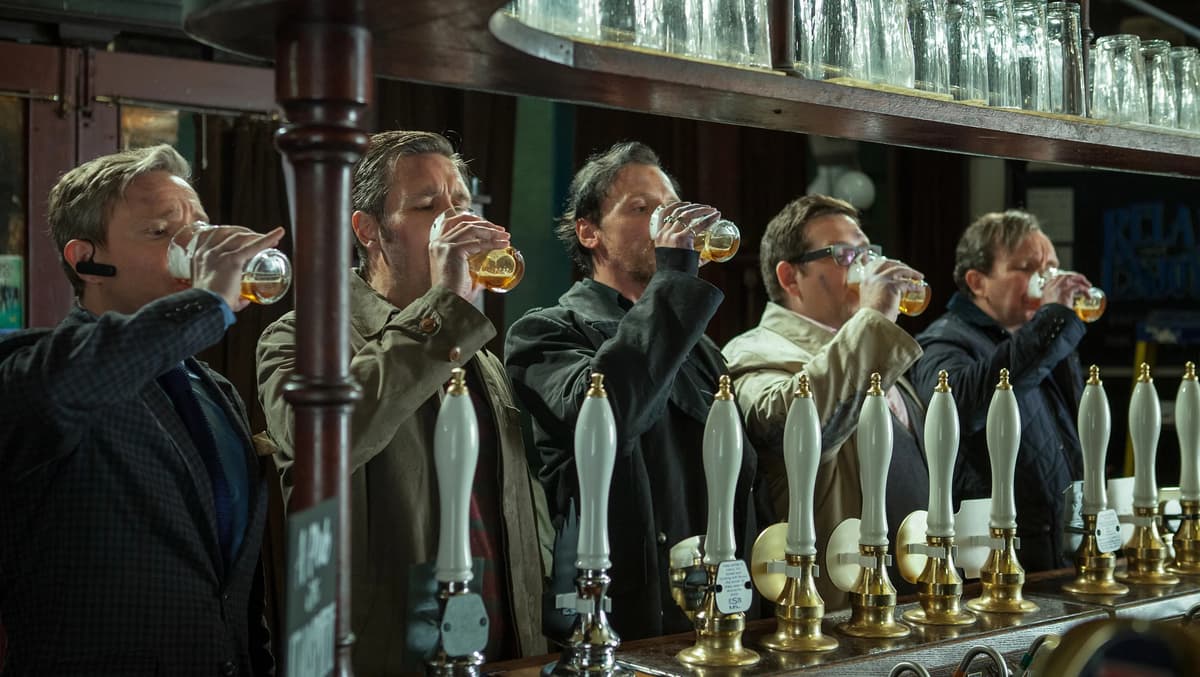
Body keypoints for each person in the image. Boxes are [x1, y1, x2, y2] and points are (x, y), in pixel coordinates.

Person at [257, 130, 548, 673]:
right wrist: (445, 309)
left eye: (461, 204)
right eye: (427, 206)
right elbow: (318, 442)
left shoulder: (477, 352)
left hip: (506, 645)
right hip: (387, 650)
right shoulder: (303, 337)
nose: (454, 223)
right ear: (368, 230)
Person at [0, 145, 280, 675]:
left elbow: (235, 585)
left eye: (200, 228)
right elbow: (74, 384)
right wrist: (212, 300)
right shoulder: (33, 368)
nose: (196, 248)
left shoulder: (214, 389)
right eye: (161, 233)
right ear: (87, 260)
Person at [504, 141, 764, 642]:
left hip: (722, 612)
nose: (664, 221)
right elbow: (603, 414)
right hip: (623, 619)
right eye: (641, 208)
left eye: (667, 209)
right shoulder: (548, 332)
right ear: (589, 232)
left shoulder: (701, 348)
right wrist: (675, 283)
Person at [723, 194, 929, 608]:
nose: (865, 266)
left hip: (911, 600)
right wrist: (873, 321)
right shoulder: (753, 353)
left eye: (869, 252)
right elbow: (789, 426)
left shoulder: (876, 349)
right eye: (846, 254)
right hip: (831, 609)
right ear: (789, 277)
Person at [912, 210, 1089, 571]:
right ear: (977, 282)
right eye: (1026, 267)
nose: (1045, 278)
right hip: (997, 561)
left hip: (1058, 552)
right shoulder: (943, 341)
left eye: (1051, 267)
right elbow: (957, 406)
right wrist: (1052, 321)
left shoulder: (1040, 339)